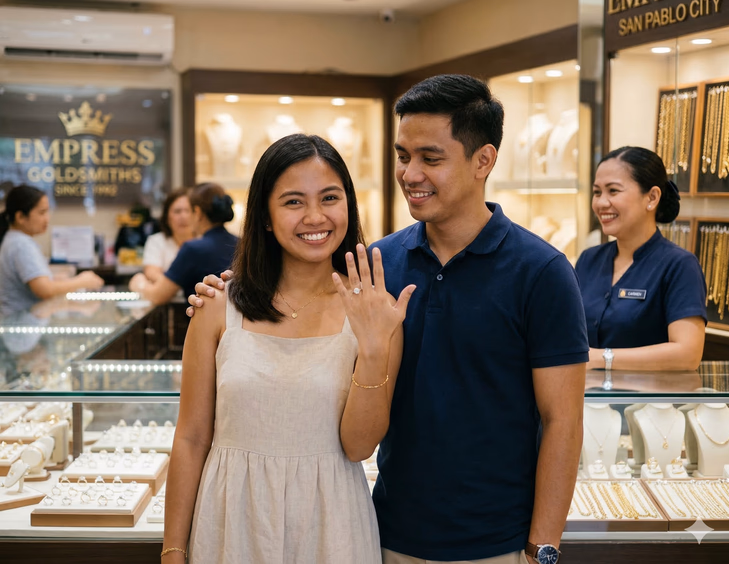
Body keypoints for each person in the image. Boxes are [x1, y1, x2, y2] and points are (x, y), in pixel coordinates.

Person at [188, 75, 588, 564]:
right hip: (384, 532)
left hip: (497, 541)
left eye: (430, 158)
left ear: (483, 160)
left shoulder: (542, 271)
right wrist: (223, 293)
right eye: (403, 156)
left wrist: (541, 546)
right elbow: (296, 297)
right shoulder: (374, 265)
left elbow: (562, 419)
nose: (410, 173)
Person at [162, 134, 413, 564]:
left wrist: (373, 352)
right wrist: (173, 550)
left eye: (329, 198)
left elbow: (359, 447)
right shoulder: (218, 306)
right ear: (264, 215)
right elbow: (190, 438)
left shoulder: (374, 311)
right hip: (230, 524)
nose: (315, 217)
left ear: (348, 206)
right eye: (293, 202)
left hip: (333, 527)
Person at [576, 146, 706, 372]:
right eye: (597, 192)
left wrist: (600, 358)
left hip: (648, 405)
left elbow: (687, 354)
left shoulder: (679, 265)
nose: (601, 203)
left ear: (652, 197)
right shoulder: (589, 260)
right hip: (589, 403)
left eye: (613, 191)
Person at [0, 184, 104, 316]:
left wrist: (56, 279)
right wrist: (81, 281)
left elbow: (37, 283)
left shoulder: (17, 241)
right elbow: (44, 290)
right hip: (22, 327)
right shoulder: (21, 244)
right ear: (20, 217)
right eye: (41, 212)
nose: (47, 219)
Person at [129, 183, 237, 306]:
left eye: (188, 211)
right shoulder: (241, 243)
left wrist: (139, 284)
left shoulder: (193, 249)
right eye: (178, 211)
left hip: (202, 322)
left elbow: (157, 296)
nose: (185, 217)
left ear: (197, 213)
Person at [141, 188, 194, 283]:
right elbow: (151, 272)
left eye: (188, 210)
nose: (183, 216)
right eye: (177, 211)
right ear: (167, 217)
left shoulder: (205, 241)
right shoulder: (156, 241)